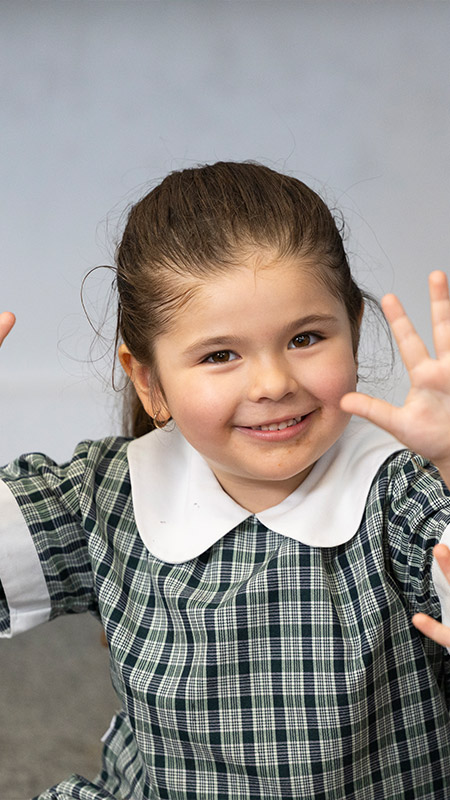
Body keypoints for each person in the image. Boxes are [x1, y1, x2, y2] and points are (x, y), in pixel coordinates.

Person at [1, 161, 450, 800]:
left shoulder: (402, 491)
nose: (272, 383)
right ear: (149, 381)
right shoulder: (105, 494)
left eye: (305, 338)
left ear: (353, 329)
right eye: (220, 355)